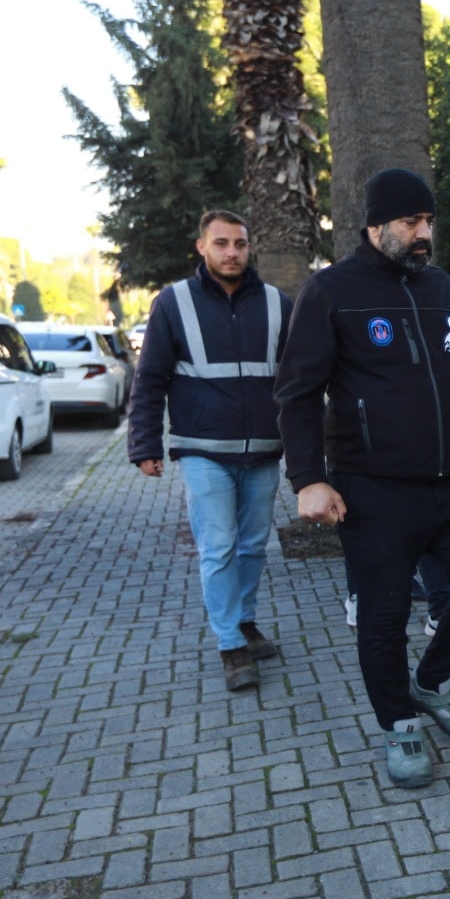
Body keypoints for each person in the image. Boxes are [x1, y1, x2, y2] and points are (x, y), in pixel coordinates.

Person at [275, 168, 450, 789]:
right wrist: (307, 478)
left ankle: (428, 683)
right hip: (373, 489)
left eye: (429, 221)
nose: (424, 233)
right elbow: (297, 393)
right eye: (411, 221)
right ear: (376, 225)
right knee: (383, 616)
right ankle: (398, 722)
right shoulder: (331, 291)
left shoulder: (444, 289)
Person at [128, 209, 292, 692]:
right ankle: (230, 644)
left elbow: (298, 381)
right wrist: (144, 444)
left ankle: (244, 620)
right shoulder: (173, 302)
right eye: (221, 243)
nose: (231, 253)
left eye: (239, 244)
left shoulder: (278, 303)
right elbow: (150, 378)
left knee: (253, 547)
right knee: (218, 548)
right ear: (202, 247)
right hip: (202, 450)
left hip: (264, 450)